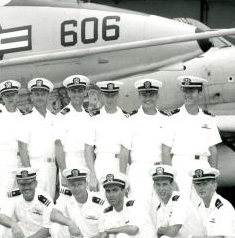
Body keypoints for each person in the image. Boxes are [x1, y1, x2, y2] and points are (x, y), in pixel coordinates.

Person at [161, 76, 221, 202]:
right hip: (180, 167)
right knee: (181, 208)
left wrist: (213, 177)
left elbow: (213, 150)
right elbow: (165, 150)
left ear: (200, 93)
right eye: (185, 91)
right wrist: (170, 178)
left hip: (203, 166)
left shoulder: (209, 119)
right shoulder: (173, 118)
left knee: (203, 209)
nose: (187, 95)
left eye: (191, 91)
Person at [0, 167, 56, 238]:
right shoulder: (13, 195)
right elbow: (1, 216)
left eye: (29, 183)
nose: (26, 187)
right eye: (22, 184)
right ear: (18, 184)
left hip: (41, 235)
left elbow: (48, 229)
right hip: (23, 232)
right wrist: (14, 225)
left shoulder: (44, 199)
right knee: (2, 229)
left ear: (36, 183)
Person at [50, 166, 105, 238]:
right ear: (68, 186)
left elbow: (105, 233)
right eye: (72, 185)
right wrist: (70, 223)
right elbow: (53, 215)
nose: (76, 188)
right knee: (56, 227)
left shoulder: (99, 202)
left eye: (79, 184)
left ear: (86, 183)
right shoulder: (66, 197)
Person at [119, 79, 168, 212]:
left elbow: (166, 151)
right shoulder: (130, 120)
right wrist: (122, 180)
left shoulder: (165, 120)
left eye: (151, 94)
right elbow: (124, 153)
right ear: (139, 96)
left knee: (161, 210)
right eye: (144, 95)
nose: (148, 98)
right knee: (139, 210)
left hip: (159, 171)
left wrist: (169, 176)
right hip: (139, 171)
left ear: (157, 96)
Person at [151, 165, 204, 238]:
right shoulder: (162, 206)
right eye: (158, 185)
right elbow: (161, 235)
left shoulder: (180, 201)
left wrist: (161, 230)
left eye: (165, 184)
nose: (161, 189)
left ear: (172, 185)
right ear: (153, 186)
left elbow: (171, 232)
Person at [17, 78, 57, 198]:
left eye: (43, 94)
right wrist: (29, 173)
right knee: (35, 205)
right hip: (35, 167)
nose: (40, 97)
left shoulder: (54, 118)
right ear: (32, 97)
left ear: (48, 96)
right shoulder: (25, 119)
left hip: (51, 167)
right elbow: (22, 148)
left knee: (49, 202)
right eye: (36, 94)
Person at [84, 81, 127, 192]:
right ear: (102, 95)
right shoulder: (93, 118)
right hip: (101, 163)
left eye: (113, 95)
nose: (110, 99)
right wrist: (92, 175)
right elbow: (88, 148)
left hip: (119, 165)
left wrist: (123, 177)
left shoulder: (125, 118)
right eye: (107, 95)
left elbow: (125, 150)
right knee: (99, 203)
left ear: (117, 95)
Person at [55, 75, 92, 178]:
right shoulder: (62, 116)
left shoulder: (88, 116)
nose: (77, 94)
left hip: (87, 162)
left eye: (80, 91)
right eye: (73, 91)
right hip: (70, 162)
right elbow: (58, 146)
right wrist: (63, 173)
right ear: (68, 93)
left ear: (85, 92)